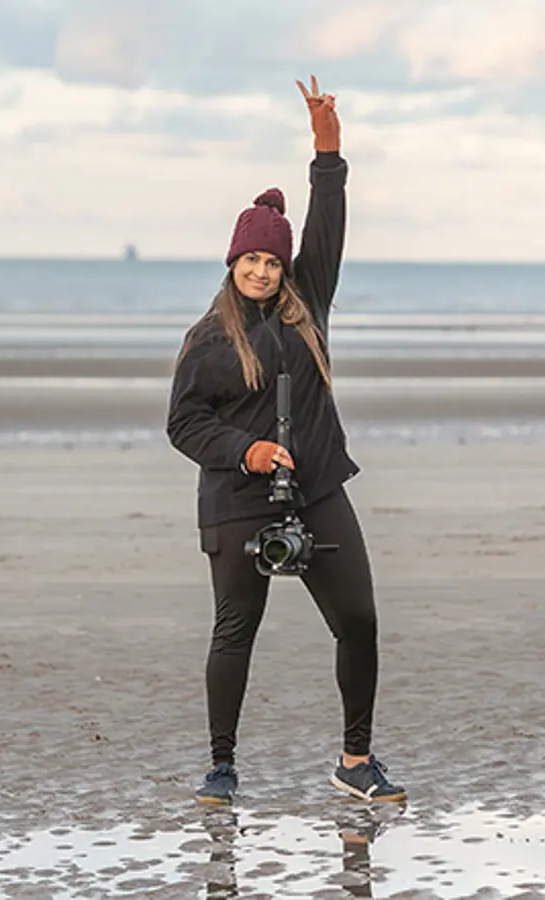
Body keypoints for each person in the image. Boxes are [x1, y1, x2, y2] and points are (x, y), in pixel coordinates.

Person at [166, 76, 405, 806]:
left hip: (318, 485)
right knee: (235, 630)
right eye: (252, 262)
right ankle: (222, 768)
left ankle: (355, 761)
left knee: (359, 620)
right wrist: (247, 450)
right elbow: (184, 423)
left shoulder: (309, 304)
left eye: (273, 262)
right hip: (239, 495)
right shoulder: (208, 340)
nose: (264, 272)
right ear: (233, 264)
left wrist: (327, 152)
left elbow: (327, 221)